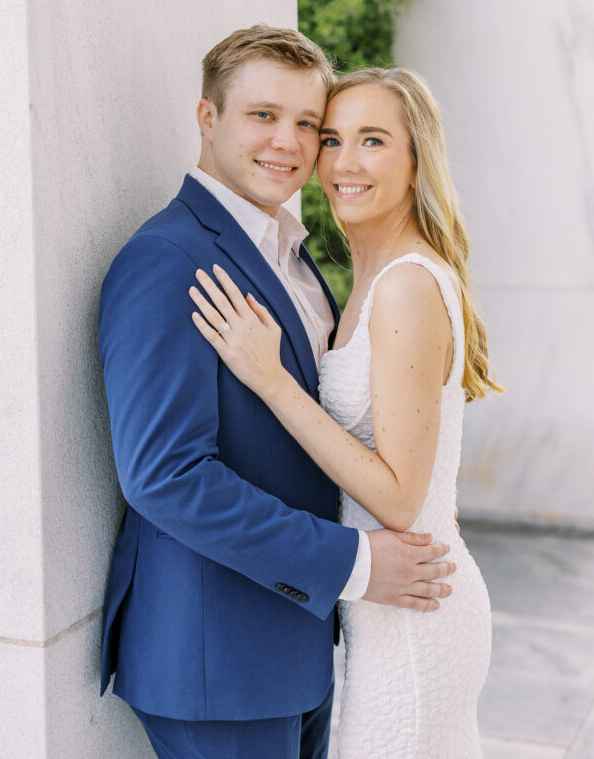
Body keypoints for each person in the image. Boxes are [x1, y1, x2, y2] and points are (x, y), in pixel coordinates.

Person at [99, 28, 457, 759]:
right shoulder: (167, 259)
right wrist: (352, 564)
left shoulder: (295, 258)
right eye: (263, 116)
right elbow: (164, 477)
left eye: (306, 125)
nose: (289, 144)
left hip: (301, 646)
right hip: (219, 659)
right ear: (207, 119)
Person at [191, 65, 503, 759]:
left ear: (416, 156)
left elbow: (397, 498)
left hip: (415, 614)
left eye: (372, 141)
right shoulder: (366, 278)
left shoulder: (405, 287)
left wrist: (272, 382)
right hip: (383, 609)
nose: (341, 163)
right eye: (330, 139)